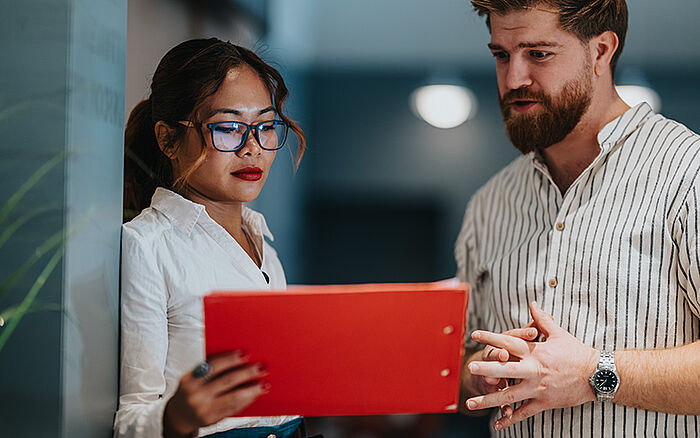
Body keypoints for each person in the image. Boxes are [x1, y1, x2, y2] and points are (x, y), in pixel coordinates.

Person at [455, 1, 700, 436]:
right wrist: (482, 373)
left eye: (539, 54)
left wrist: (595, 372)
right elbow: (460, 371)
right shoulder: (488, 204)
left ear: (601, 52)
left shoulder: (688, 174)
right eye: (501, 55)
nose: (514, 79)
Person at [114, 38, 308, 438]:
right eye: (229, 127)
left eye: (265, 126)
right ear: (168, 139)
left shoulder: (263, 246)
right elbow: (130, 418)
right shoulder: (146, 245)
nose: (252, 148)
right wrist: (178, 416)